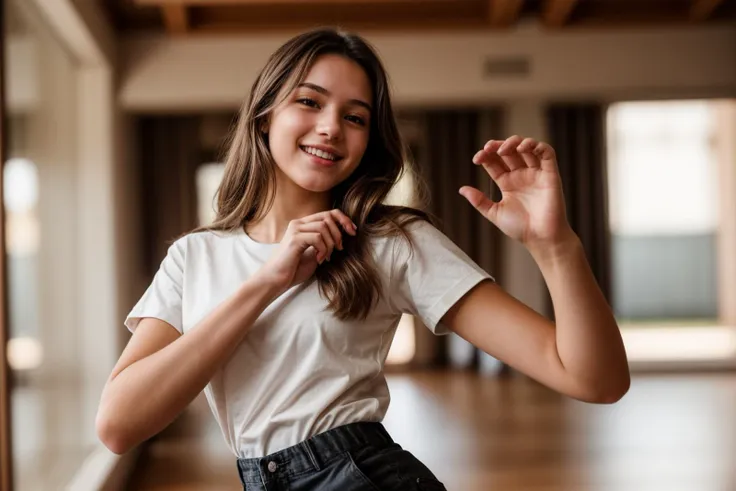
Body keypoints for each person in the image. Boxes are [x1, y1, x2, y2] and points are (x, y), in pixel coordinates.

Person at [96, 28, 630, 490]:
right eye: (309, 102)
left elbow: (594, 380)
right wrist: (269, 281)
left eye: (355, 117)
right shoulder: (195, 257)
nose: (331, 126)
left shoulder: (391, 242)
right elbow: (118, 425)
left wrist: (555, 246)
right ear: (264, 117)